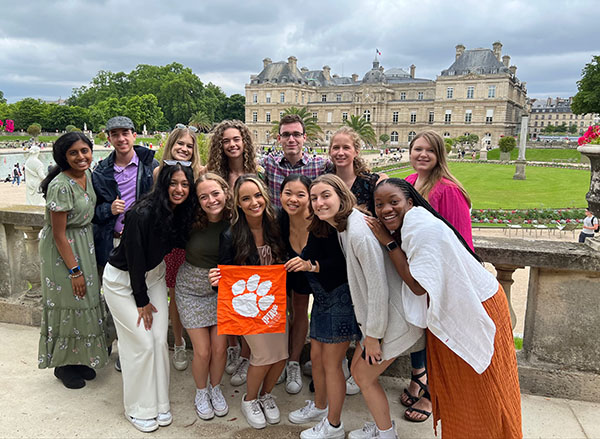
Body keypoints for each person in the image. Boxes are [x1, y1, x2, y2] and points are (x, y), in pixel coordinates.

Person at [366, 178, 522, 439]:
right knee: (459, 387)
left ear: (410, 202)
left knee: (481, 387)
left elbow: (417, 285)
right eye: (379, 204)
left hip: (475, 305)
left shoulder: (420, 227)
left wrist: (387, 242)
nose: (385, 210)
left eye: (394, 202)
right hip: (462, 304)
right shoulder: (412, 223)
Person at [102, 162, 197, 433]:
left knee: (157, 340)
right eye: (173, 183)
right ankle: (137, 408)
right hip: (123, 282)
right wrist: (141, 300)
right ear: (163, 184)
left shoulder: (181, 212)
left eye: (185, 184)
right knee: (141, 343)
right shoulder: (141, 213)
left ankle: (159, 402)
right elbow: (134, 259)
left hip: (155, 276)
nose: (179, 189)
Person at [401, 130, 474, 422]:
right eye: (417, 148)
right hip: (413, 272)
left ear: (439, 155)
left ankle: (433, 394)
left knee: (438, 334)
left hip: (440, 277)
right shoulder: (407, 183)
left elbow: (461, 241)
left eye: (429, 150)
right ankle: (418, 376)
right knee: (417, 327)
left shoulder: (447, 190)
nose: (422, 154)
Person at [285, 176, 363, 439]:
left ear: (341, 195)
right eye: (315, 197)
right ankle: (320, 408)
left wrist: (311, 266)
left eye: (325, 196)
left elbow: (345, 269)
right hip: (323, 300)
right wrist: (299, 262)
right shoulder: (321, 224)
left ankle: (334, 425)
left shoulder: (349, 226)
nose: (319, 203)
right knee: (316, 359)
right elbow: (308, 253)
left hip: (341, 301)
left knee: (332, 365)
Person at [208, 175, 288, 430]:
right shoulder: (231, 236)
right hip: (249, 308)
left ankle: (265, 395)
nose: (254, 202)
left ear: (264, 195)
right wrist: (215, 278)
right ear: (238, 204)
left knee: (281, 357)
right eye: (246, 198)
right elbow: (223, 278)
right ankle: (249, 399)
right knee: (263, 355)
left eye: (257, 195)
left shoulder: (277, 225)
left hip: (274, 303)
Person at [38, 132, 108, 389]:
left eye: (85, 151)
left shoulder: (87, 176)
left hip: (84, 244)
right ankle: (63, 366)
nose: (81, 157)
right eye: (73, 153)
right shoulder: (60, 185)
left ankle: (78, 360)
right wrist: (74, 270)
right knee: (67, 301)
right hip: (63, 251)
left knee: (84, 301)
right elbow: (58, 234)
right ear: (63, 157)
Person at [92, 116, 158, 371]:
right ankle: (116, 344)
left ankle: (132, 347)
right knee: (115, 299)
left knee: (139, 293)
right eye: (115, 134)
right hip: (114, 241)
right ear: (109, 138)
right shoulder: (100, 171)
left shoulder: (149, 165)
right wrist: (108, 209)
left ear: (134, 135)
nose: (121, 138)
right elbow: (92, 214)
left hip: (141, 241)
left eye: (125, 133)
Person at [206, 119, 260, 386]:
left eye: (236, 139)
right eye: (226, 140)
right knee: (227, 298)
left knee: (247, 299)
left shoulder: (256, 171)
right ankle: (233, 349)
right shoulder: (213, 172)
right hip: (220, 240)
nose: (231, 145)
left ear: (244, 141)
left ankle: (247, 354)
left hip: (247, 240)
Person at [175, 173, 231, 421]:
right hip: (190, 289)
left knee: (220, 349)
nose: (211, 200)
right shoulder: (188, 220)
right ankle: (200, 392)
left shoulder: (236, 220)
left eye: (215, 193)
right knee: (203, 351)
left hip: (221, 288)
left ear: (226, 192)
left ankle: (215, 388)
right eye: (203, 196)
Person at [153, 124, 205, 372]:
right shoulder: (158, 173)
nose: (184, 149)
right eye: (180, 144)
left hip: (195, 239)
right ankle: (180, 342)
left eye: (189, 146)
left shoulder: (200, 172)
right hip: (170, 241)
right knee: (173, 295)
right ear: (170, 146)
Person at [278, 174, 313, 394]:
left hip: (311, 269)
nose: (293, 199)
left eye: (301, 194)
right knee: (282, 311)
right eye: (288, 193)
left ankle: (293, 361)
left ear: (310, 197)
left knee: (300, 310)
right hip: (285, 266)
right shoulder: (278, 221)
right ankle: (281, 357)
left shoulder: (318, 222)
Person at [262, 114, 328, 208]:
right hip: (277, 222)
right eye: (286, 135)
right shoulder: (269, 164)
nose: (291, 140)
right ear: (279, 138)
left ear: (304, 138)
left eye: (296, 134)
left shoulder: (319, 166)